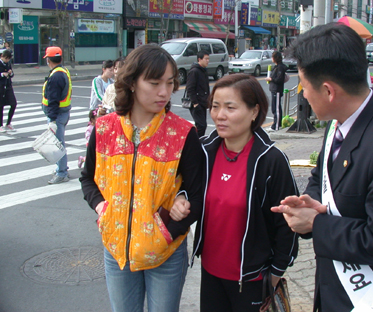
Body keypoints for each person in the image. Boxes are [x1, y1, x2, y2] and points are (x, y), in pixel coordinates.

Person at [272, 23, 373, 312]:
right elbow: (322, 176)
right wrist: (311, 201)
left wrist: (316, 223)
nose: (302, 94)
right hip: (337, 290)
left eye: (304, 86)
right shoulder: (340, 119)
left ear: (329, 91)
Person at [80, 44, 204, 312]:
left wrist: (168, 232)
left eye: (170, 83)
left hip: (165, 254)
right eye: (154, 82)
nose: (164, 92)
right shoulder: (104, 129)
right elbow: (87, 179)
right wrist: (103, 209)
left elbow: (198, 194)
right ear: (132, 83)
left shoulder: (183, 134)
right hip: (116, 252)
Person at [185, 74, 299, 312]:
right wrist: (180, 197)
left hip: (253, 280)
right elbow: (184, 188)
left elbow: (288, 224)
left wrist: (276, 273)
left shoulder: (271, 161)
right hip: (211, 274)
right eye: (215, 106)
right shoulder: (205, 151)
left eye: (230, 107)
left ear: (254, 111)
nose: (219, 115)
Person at [42, 46, 72, 184]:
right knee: (59, 143)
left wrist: (52, 120)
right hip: (63, 113)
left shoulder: (56, 76)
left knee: (58, 144)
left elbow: (53, 100)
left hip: (58, 115)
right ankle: (61, 169)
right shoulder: (63, 71)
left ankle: (61, 173)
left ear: (49, 59)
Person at [186, 50, 210, 137]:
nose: (207, 61)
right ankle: (196, 143)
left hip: (203, 102)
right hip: (196, 103)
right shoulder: (194, 71)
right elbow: (190, 88)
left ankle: (197, 143)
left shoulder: (203, 71)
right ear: (199, 59)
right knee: (201, 126)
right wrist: (195, 103)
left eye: (208, 59)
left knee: (201, 125)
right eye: (206, 59)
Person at [265, 51, 287, 131]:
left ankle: (276, 125)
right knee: (275, 107)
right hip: (274, 89)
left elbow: (279, 79)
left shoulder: (280, 67)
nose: (271, 58)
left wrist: (271, 79)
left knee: (276, 108)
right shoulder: (276, 67)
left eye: (272, 57)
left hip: (277, 90)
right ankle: (277, 124)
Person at [0, 50, 16, 133]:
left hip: (8, 86)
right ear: (2, 56)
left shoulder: (8, 64)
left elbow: (12, 74)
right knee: (1, 106)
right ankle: (0, 125)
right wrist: (2, 74)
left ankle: (8, 123)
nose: (7, 60)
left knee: (13, 104)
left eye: (8, 59)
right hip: (1, 86)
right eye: (6, 59)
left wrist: (10, 73)